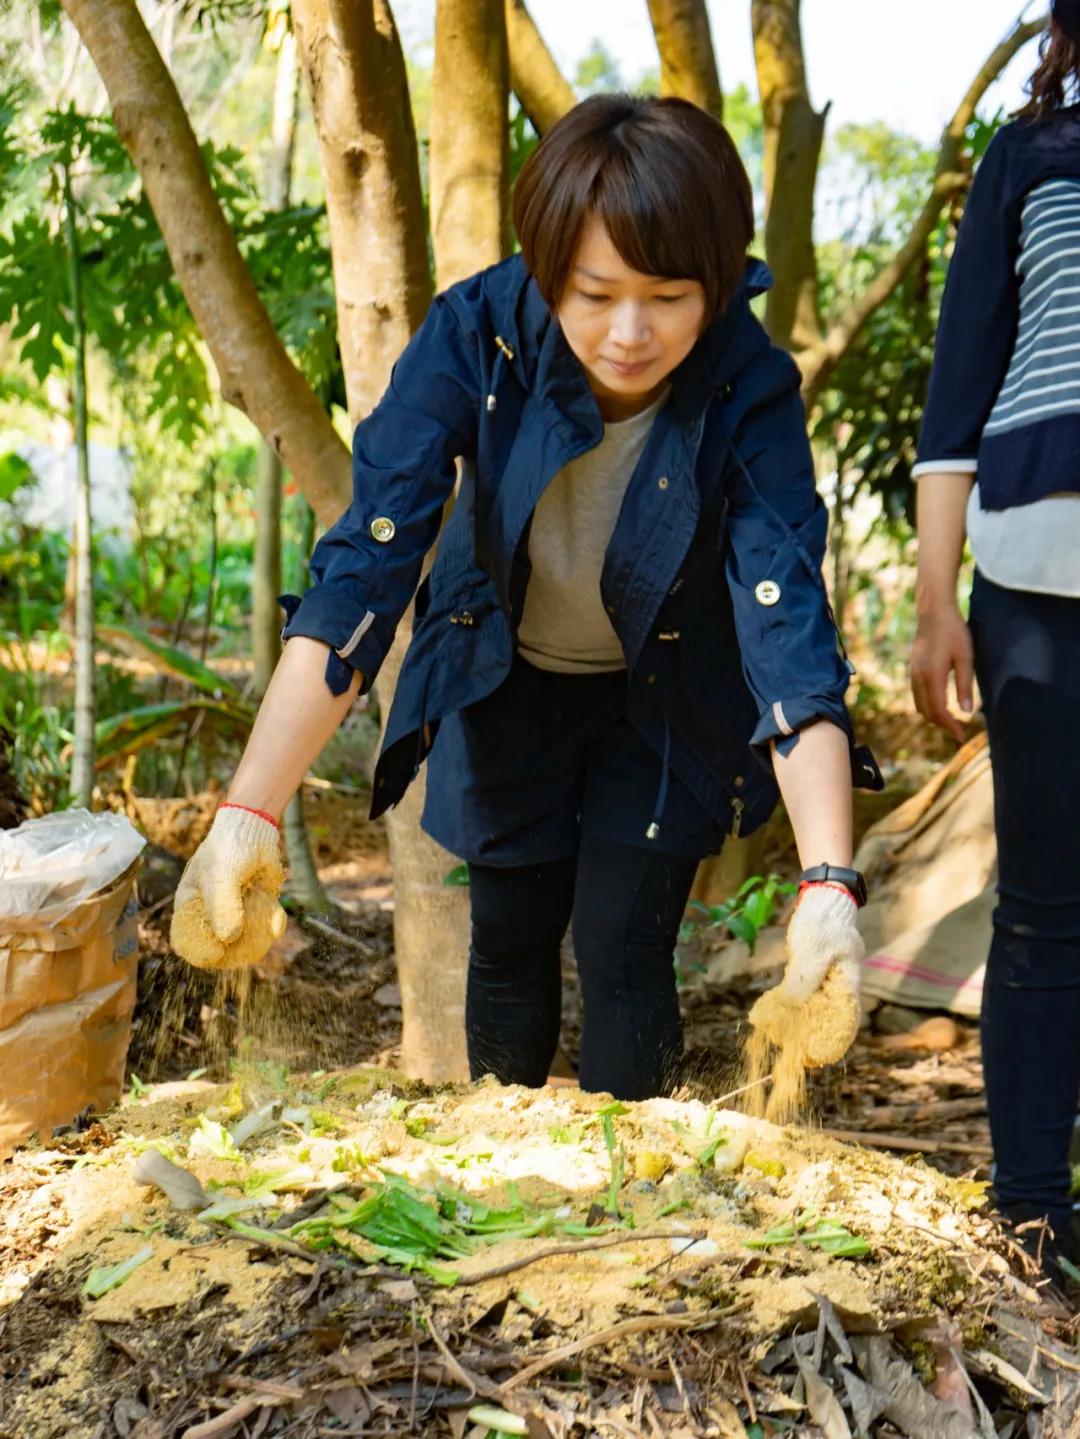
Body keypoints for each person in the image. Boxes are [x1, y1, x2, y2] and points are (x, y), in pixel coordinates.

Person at [172, 95, 880, 1101]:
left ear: (718, 281)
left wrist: (826, 881)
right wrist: (248, 809)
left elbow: (785, 617)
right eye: (592, 294)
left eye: (668, 296)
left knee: (624, 943)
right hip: (506, 670)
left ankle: (632, 1216)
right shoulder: (477, 332)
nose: (629, 333)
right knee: (508, 931)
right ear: (547, 271)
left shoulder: (746, 380)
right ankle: (507, 1192)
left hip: (667, 692)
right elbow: (368, 564)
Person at [911, 1, 1080, 1271]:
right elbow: (958, 388)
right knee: (1042, 907)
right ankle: (1031, 1208)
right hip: (1035, 573)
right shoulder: (1030, 157)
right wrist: (931, 600)